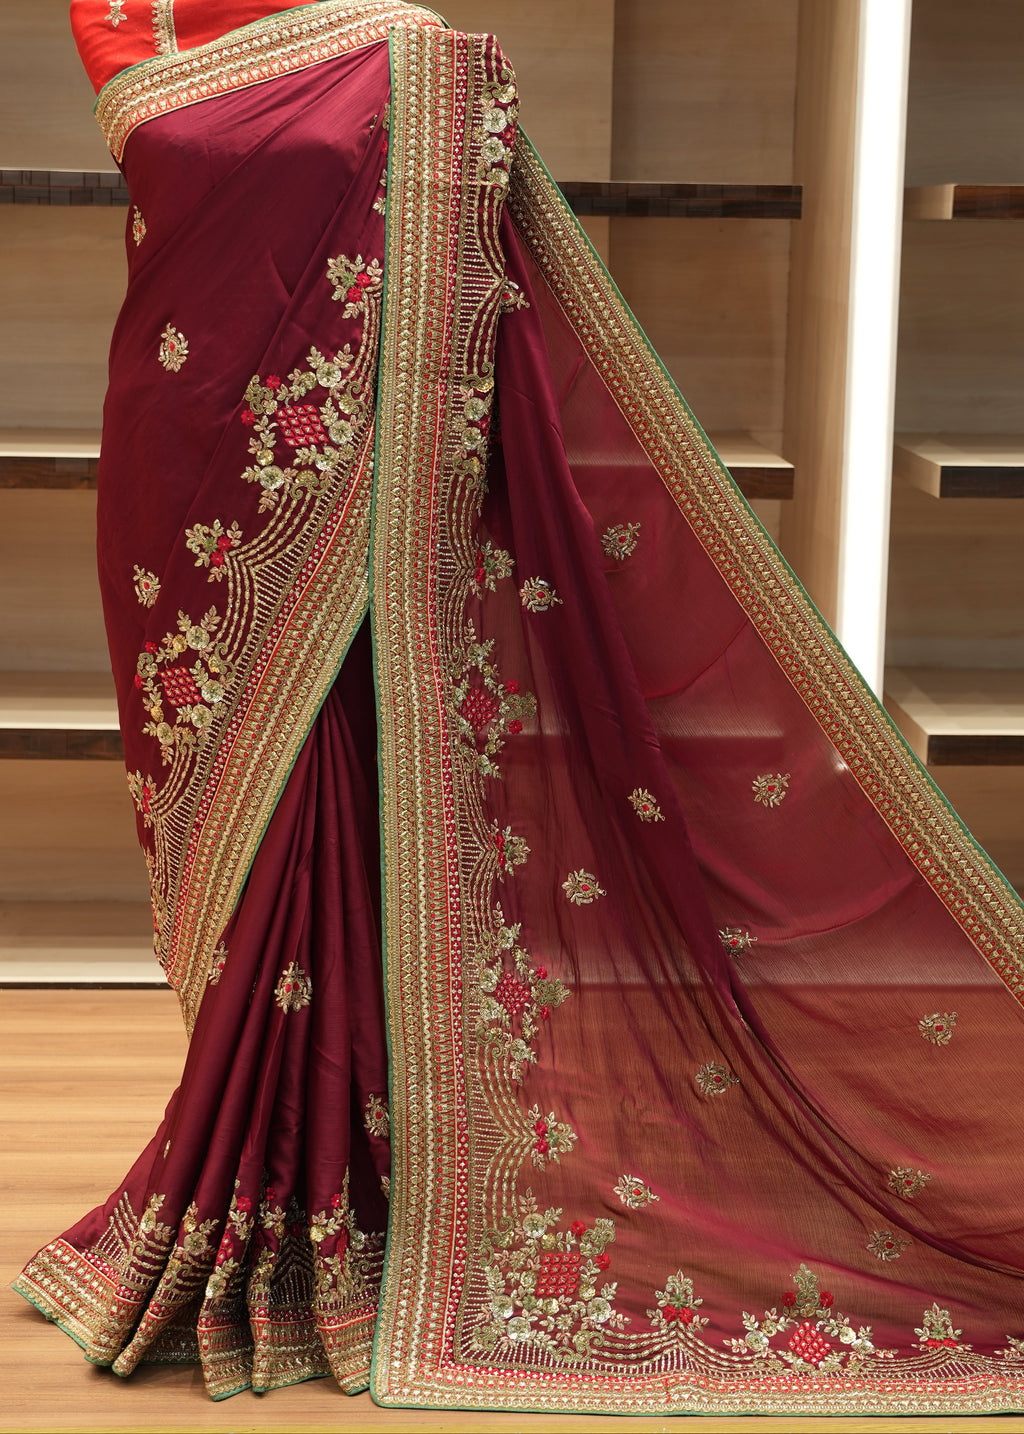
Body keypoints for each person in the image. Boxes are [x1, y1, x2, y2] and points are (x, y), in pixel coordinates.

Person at [15, 0, 1024, 1416]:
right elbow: (187, 168)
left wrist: (420, 69)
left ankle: (334, 1197)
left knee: (330, 804)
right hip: (190, 468)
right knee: (227, 840)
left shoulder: (376, 43)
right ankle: (282, 1176)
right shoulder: (124, 20)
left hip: (336, 491)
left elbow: (360, 148)